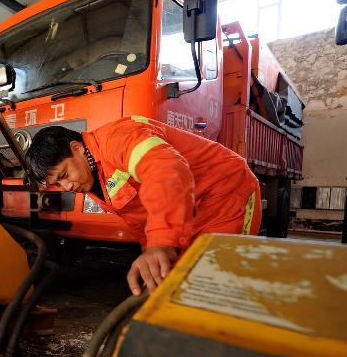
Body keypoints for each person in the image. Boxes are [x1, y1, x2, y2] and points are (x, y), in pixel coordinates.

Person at [26, 116, 262, 295]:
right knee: (178, 288)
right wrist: (152, 249)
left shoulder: (121, 138)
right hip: (188, 213)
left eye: (65, 175)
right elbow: (142, 216)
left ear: (76, 148)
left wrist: (161, 244)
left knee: (217, 288)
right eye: (58, 183)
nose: (67, 186)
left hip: (226, 194)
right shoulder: (92, 174)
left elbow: (166, 173)